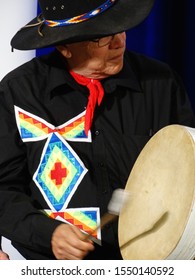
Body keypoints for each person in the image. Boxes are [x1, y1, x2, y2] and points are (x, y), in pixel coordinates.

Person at [0, 0, 194, 260]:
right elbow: (4, 189)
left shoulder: (160, 83)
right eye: (102, 39)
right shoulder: (20, 92)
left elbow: (188, 174)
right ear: (64, 46)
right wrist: (49, 233)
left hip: (148, 265)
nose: (118, 43)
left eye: (120, 30)